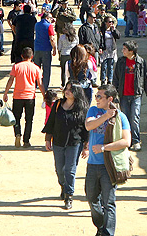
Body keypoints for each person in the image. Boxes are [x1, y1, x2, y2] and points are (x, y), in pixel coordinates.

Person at [84, 84, 131, 235]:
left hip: (109, 165)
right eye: (96, 96)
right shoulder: (93, 110)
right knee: (92, 200)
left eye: (99, 96)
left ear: (109, 99)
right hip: (92, 164)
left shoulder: (121, 117)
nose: (96, 99)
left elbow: (126, 141)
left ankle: (107, 233)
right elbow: (88, 126)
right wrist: (105, 116)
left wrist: (104, 147)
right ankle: (101, 226)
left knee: (109, 202)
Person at [44, 82, 89, 210]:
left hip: (75, 142)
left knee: (70, 169)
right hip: (58, 141)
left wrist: (86, 146)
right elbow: (51, 121)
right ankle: (63, 185)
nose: (67, 91)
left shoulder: (82, 108)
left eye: (70, 89)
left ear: (77, 92)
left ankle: (69, 195)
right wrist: (48, 139)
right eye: (66, 89)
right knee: (59, 169)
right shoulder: (58, 105)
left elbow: (87, 128)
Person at [3, 47, 45, 148]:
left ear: (22, 56)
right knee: (29, 119)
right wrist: (44, 95)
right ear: (32, 56)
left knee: (16, 118)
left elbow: (11, 80)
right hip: (30, 96)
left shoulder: (17, 67)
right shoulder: (36, 68)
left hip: (18, 96)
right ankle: (26, 140)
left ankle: (17, 133)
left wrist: (6, 92)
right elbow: (40, 84)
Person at [113, 40, 147, 152]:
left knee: (135, 118)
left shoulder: (140, 62)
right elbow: (115, 79)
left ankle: (136, 141)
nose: (122, 51)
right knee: (125, 118)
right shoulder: (120, 62)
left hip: (136, 95)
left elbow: (145, 79)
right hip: (123, 95)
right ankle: (127, 140)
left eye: (125, 49)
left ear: (131, 51)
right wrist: (114, 95)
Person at [34, 12, 57, 92]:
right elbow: (52, 38)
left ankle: (35, 84)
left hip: (37, 49)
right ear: (47, 18)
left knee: (37, 68)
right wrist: (54, 48)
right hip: (46, 49)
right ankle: (45, 86)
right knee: (46, 69)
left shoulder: (37, 25)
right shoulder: (49, 26)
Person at [100, 16, 120, 86]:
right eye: (109, 22)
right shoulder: (102, 30)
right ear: (105, 23)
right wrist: (100, 48)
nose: (111, 23)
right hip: (104, 50)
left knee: (110, 66)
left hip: (112, 50)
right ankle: (103, 80)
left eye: (112, 22)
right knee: (104, 66)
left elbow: (118, 36)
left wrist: (114, 30)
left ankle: (110, 80)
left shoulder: (113, 30)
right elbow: (100, 39)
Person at [58, 22, 78, 88]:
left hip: (64, 54)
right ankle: (71, 83)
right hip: (72, 55)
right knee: (72, 71)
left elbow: (59, 47)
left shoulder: (62, 37)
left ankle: (63, 84)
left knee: (63, 70)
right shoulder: (75, 37)